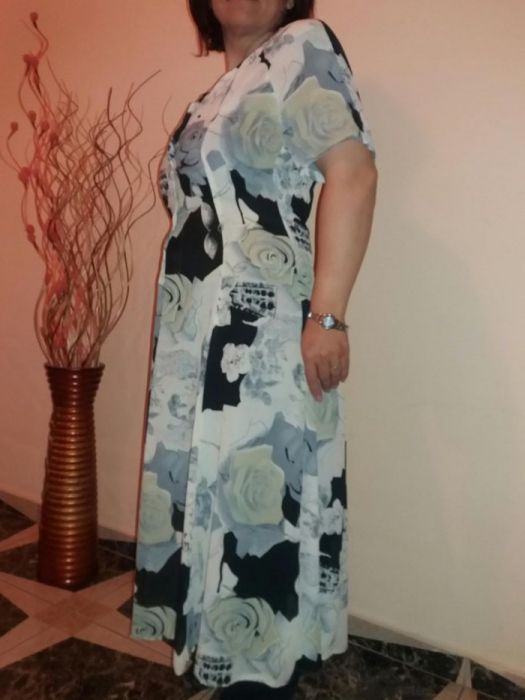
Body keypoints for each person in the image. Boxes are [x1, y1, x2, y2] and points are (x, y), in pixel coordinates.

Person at [131, 1, 377, 698]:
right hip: (195, 346)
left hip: (259, 343)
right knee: (210, 500)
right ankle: (226, 661)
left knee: (256, 510)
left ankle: (259, 678)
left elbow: (353, 173)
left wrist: (328, 315)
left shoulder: (301, 47)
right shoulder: (220, 91)